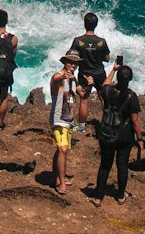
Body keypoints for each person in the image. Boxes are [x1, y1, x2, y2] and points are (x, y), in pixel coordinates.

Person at [91, 63, 143, 206]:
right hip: (124, 135)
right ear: (130, 79)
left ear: (118, 78)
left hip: (106, 132)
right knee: (122, 164)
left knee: (105, 165)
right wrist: (140, 138)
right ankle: (120, 195)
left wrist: (113, 70)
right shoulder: (131, 96)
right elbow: (135, 120)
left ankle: (98, 197)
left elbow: (105, 85)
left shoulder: (108, 91)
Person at [49, 52, 86, 196]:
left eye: (75, 63)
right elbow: (55, 79)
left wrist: (89, 85)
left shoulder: (73, 79)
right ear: (65, 63)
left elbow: (82, 94)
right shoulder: (59, 76)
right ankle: (62, 184)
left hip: (69, 120)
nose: (73, 65)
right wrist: (65, 75)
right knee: (63, 149)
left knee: (61, 150)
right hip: (58, 119)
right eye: (70, 62)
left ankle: (57, 178)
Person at [68, 11, 111, 127]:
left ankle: (82, 126)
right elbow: (107, 59)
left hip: (84, 74)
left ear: (84, 24)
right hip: (99, 73)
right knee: (103, 98)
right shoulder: (101, 42)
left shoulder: (78, 41)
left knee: (84, 99)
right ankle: (106, 123)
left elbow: (72, 57)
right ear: (96, 25)